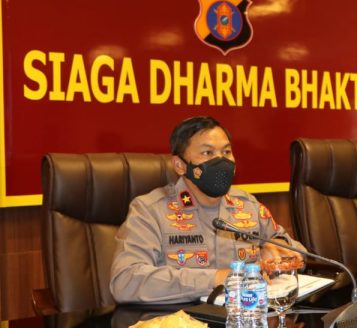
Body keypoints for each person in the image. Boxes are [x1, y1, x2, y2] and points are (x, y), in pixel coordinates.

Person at [110, 116, 305, 304]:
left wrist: (278, 247)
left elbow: (299, 253)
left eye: (226, 152)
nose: (221, 161)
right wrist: (217, 279)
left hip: (245, 318)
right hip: (180, 323)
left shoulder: (247, 206)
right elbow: (125, 281)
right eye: (207, 153)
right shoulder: (150, 211)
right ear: (180, 165)